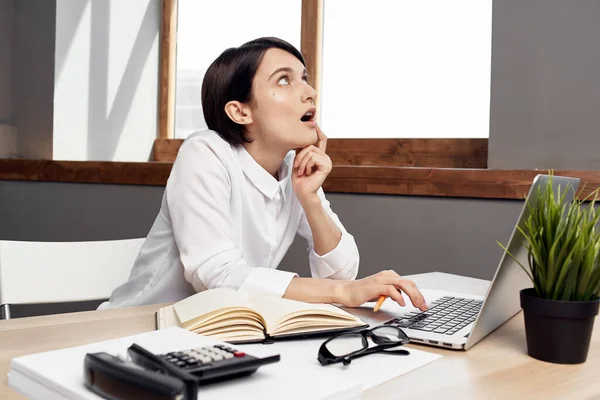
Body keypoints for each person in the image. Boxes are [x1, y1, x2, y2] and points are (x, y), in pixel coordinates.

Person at [99, 37, 427, 312]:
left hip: (219, 333)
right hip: (135, 331)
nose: (310, 91)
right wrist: (344, 293)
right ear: (240, 111)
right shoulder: (205, 152)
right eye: (284, 80)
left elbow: (340, 278)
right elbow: (216, 275)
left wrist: (309, 199)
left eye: (304, 77)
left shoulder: (291, 169)